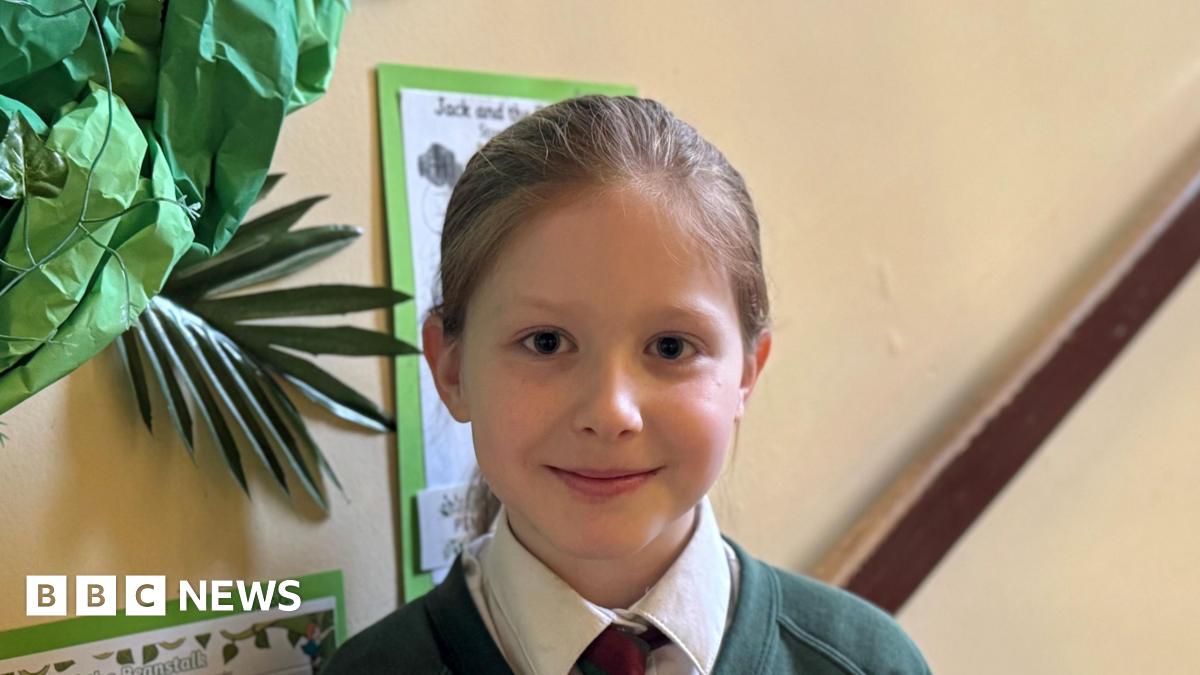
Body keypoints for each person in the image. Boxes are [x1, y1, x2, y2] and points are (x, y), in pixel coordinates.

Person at [324, 95, 931, 674]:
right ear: (451, 370)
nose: (611, 412)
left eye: (671, 347)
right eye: (547, 342)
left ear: (746, 373)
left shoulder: (869, 664)